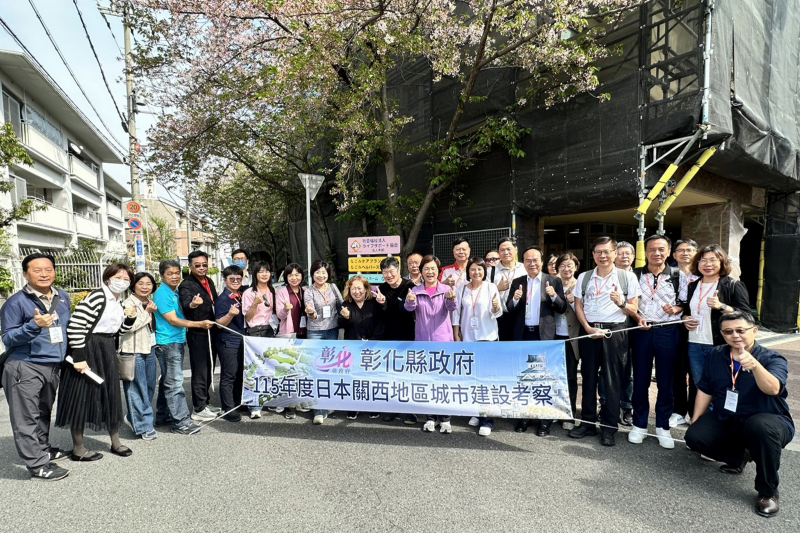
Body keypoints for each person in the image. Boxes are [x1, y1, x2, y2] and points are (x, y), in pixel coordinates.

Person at [685, 311, 794, 518]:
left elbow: (773, 389)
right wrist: (696, 420)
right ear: (722, 334)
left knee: (760, 427)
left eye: (740, 330)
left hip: (768, 420)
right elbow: (705, 389)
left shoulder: (772, 358)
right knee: (695, 437)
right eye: (728, 332)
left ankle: (768, 491)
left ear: (755, 331)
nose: (735, 335)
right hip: (729, 417)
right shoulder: (716, 355)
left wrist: (755, 366)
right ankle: (740, 456)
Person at [0, 253, 72, 481]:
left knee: (43, 412)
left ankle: (43, 449)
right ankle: (37, 465)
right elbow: (8, 338)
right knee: (26, 417)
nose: (44, 274)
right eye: (37, 270)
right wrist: (33, 325)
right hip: (25, 365)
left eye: (48, 269)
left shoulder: (62, 297)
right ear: (25, 274)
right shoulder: (15, 302)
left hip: (53, 365)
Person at [56, 264, 138, 461]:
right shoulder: (97, 297)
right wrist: (79, 357)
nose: (122, 281)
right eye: (118, 277)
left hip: (106, 349)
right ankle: (78, 449)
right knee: (81, 396)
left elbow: (116, 332)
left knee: (110, 394)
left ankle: (115, 442)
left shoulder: (118, 301)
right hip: (87, 349)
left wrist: (130, 319)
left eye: (126, 279)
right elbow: (76, 326)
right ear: (107, 278)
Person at [570, 237, 641, 446]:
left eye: (607, 251)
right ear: (592, 255)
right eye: (598, 252)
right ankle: (587, 422)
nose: (603, 256)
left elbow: (634, 308)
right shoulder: (584, 277)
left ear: (615, 253)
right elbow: (578, 305)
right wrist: (586, 327)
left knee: (612, 380)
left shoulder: (627, 277)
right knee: (588, 377)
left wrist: (621, 303)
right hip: (589, 331)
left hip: (615, 332)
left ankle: (609, 427)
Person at [627, 235, 685, 449]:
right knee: (640, 378)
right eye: (652, 249)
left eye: (661, 249)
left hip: (668, 331)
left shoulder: (678, 275)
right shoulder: (634, 275)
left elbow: (684, 302)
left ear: (668, 252)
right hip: (641, 330)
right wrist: (637, 318)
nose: (656, 253)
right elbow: (629, 303)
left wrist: (677, 309)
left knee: (666, 380)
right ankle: (639, 424)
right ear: (645, 252)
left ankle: (662, 426)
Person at [506, 247, 567, 436]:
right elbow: (509, 308)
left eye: (535, 260)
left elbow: (562, 308)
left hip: (544, 336)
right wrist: (515, 300)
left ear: (541, 261)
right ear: (523, 262)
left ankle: (544, 421)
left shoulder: (553, 281)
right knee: (524, 378)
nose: (532, 264)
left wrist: (553, 296)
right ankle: (524, 417)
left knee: (543, 379)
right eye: (528, 260)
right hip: (523, 335)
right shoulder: (518, 282)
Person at [152, 260, 209, 435]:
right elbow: (173, 320)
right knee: (175, 383)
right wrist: (199, 324)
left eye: (177, 273)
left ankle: (163, 415)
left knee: (168, 380)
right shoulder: (162, 294)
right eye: (170, 274)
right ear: (162, 276)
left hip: (175, 340)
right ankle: (181, 422)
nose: (175, 276)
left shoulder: (173, 292)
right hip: (168, 342)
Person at [684, 244, 750, 387]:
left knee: (721, 385)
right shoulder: (692, 286)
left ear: (722, 262)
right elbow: (687, 311)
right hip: (694, 344)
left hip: (719, 344)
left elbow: (746, 316)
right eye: (703, 260)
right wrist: (685, 319)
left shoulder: (732, 285)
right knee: (700, 386)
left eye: (713, 260)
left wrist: (722, 307)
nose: (707, 264)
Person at [405, 255, 457, 433]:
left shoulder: (446, 289)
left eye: (433, 268)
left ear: (438, 271)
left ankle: (445, 419)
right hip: (423, 342)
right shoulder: (416, 290)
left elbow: (452, 308)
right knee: (427, 381)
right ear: (421, 272)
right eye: (426, 268)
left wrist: (451, 299)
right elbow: (409, 309)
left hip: (443, 342)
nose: (430, 272)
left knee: (443, 381)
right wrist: (410, 300)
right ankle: (430, 418)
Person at [598, 239, 636, 426]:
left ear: (633, 257)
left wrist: (623, 304)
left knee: (628, 371)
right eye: (620, 253)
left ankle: (627, 406)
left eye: (627, 253)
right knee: (606, 371)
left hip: (631, 329)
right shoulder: (601, 276)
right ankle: (605, 405)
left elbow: (638, 306)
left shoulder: (635, 277)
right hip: (610, 330)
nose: (623, 256)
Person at [179, 250, 220, 422]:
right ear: (190, 266)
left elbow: (214, 301)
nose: (202, 268)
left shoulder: (209, 281)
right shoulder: (186, 285)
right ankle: (199, 408)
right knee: (200, 371)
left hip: (212, 330)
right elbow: (186, 304)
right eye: (197, 265)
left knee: (209, 368)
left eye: (204, 265)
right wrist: (193, 304)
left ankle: (205, 402)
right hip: (198, 332)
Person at [377, 257, 418, 424]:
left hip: (408, 336)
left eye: (391, 271)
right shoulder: (381, 289)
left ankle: (410, 411)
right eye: (385, 272)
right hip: (388, 337)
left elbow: (415, 311)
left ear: (398, 270)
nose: (388, 275)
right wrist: (382, 304)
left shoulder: (410, 286)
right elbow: (381, 314)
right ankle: (392, 408)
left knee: (408, 375)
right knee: (391, 375)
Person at [340, 275, 386, 420]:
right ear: (349, 290)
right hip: (353, 346)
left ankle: (372, 406)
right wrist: (345, 318)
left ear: (366, 290)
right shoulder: (346, 304)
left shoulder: (374, 303)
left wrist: (371, 341)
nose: (357, 291)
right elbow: (341, 325)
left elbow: (381, 322)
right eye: (353, 288)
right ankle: (354, 406)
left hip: (372, 346)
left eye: (359, 288)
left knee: (371, 377)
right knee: (354, 377)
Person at [120, 272, 159, 441]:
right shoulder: (127, 304)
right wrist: (147, 313)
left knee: (149, 387)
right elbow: (128, 327)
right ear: (133, 286)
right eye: (141, 283)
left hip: (149, 348)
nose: (145, 287)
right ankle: (143, 426)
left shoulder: (149, 302)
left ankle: (134, 417)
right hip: (133, 350)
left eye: (149, 284)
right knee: (136, 388)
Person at [304, 260, 344, 425]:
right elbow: (310, 310)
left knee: (330, 369)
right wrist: (311, 313)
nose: (321, 275)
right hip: (315, 332)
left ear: (328, 274)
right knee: (316, 370)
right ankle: (319, 410)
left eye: (324, 272)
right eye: (317, 272)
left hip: (332, 331)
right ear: (312, 274)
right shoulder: (309, 291)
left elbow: (342, 304)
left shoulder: (333, 287)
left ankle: (328, 403)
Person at [242, 261, 279, 418]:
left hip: (271, 331)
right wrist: (255, 304)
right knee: (254, 369)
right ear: (255, 274)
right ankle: (254, 405)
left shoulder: (273, 291)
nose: (264, 274)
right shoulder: (249, 293)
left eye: (267, 271)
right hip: (255, 332)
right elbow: (248, 317)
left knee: (270, 368)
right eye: (261, 271)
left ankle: (268, 399)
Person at [214, 265, 248, 422]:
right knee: (229, 375)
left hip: (241, 340)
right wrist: (230, 314)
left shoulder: (241, 295)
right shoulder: (223, 299)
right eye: (231, 279)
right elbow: (219, 324)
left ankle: (237, 402)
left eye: (238, 279)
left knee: (240, 372)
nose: (235, 281)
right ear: (225, 280)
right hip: (228, 341)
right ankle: (228, 408)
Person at [671, 238, 699, 427]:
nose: (685, 253)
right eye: (681, 250)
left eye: (689, 250)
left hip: (699, 329)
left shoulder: (703, 275)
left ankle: (696, 413)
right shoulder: (669, 274)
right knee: (678, 371)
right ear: (674, 255)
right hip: (675, 327)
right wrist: (682, 316)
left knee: (697, 372)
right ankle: (678, 411)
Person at [555, 252, 581, 431]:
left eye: (569, 265)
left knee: (571, 377)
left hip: (573, 338)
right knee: (554, 377)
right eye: (562, 266)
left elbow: (587, 312)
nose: (566, 269)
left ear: (575, 267)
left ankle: (569, 414)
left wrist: (573, 302)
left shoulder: (580, 285)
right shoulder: (552, 285)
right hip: (554, 337)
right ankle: (555, 411)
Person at [493, 237, 526, 341]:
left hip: (521, 316)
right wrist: (497, 288)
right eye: (502, 250)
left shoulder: (524, 268)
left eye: (508, 249)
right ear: (498, 253)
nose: (505, 252)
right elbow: (484, 293)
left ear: (516, 250)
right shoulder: (491, 272)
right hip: (499, 316)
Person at [275, 263, 308, 339]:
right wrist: (285, 309)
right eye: (290, 275)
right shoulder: (282, 293)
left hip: (306, 332)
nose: (294, 278)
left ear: (301, 276)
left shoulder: (305, 291)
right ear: (286, 277)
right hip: (289, 333)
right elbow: (280, 316)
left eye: (297, 275)